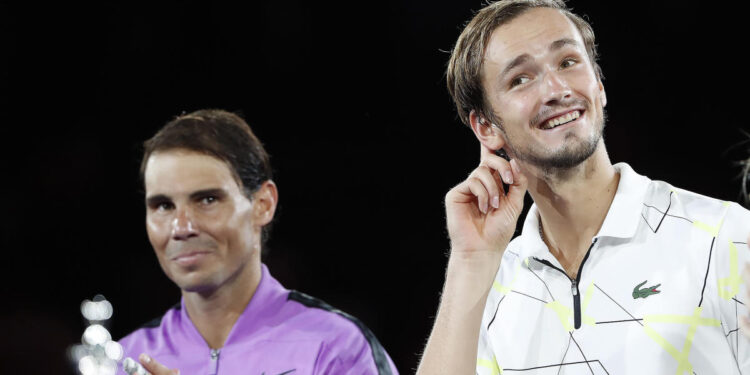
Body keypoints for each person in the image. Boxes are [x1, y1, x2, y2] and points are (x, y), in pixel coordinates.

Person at [417, 1, 750, 374]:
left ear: (599, 85)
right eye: (520, 79)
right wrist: (470, 262)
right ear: (486, 128)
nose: (556, 89)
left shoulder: (727, 237)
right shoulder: (487, 291)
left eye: (568, 62)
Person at [118, 109, 398, 375]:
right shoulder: (124, 360)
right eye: (163, 206)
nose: (181, 227)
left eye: (207, 200)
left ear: (263, 204)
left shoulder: (335, 346)